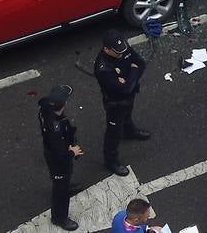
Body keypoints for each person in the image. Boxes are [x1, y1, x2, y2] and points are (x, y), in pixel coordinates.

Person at [94, 30, 150, 177]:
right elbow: (123, 89)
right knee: (113, 132)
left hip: (129, 96)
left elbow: (140, 63)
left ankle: (129, 131)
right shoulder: (103, 68)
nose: (121, 54)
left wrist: (129, 78)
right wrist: (133, 72)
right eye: (117, 52)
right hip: (115, 104)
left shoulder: (122, 48)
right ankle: (110, 160)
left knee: (127, 116)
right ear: (106, 49)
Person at [38, 84, 83, 232]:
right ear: (64, 104)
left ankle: (65, 185)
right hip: (57, 159)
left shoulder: (45, 108)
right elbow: (60, 154)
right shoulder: (55, 128)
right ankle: (59, 217)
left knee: (63, 179)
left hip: (53, 151)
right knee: (60, 190)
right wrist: (72, 152)